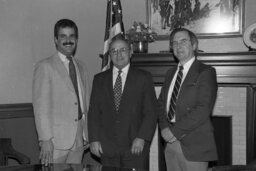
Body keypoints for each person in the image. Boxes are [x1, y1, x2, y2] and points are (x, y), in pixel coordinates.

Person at [88, 38, 157, 169]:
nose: (118, 54)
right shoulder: (99, 80)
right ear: (109, 55)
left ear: (130, 52)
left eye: (122, 50)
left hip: (135, 146)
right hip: (107, 148)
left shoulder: (143, 78)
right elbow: (94, 113)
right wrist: (94, 139)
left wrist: (142, 137)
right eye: (114, 51)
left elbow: (151, 112)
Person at [158, 28, 218, 171]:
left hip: (194, 145)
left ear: (194, 45)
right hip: (170, 144)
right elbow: (160, 105)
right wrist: (165, 128)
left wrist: (175, 131)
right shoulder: (170, 73)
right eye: (174, 43)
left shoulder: (206, 72)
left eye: (183, 41)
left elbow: (203, 109)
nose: (178, 46)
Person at [32, 19, 90, 165]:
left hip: (78, 139)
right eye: (63, 36)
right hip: (55, 142)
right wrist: (45, 140)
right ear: (55, 40)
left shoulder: (81, 67)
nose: (68, 40)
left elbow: (84, 102)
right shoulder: (45, 66)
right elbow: (40, 107)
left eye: (72, 36)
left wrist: (86, 133)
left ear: (76, 40)